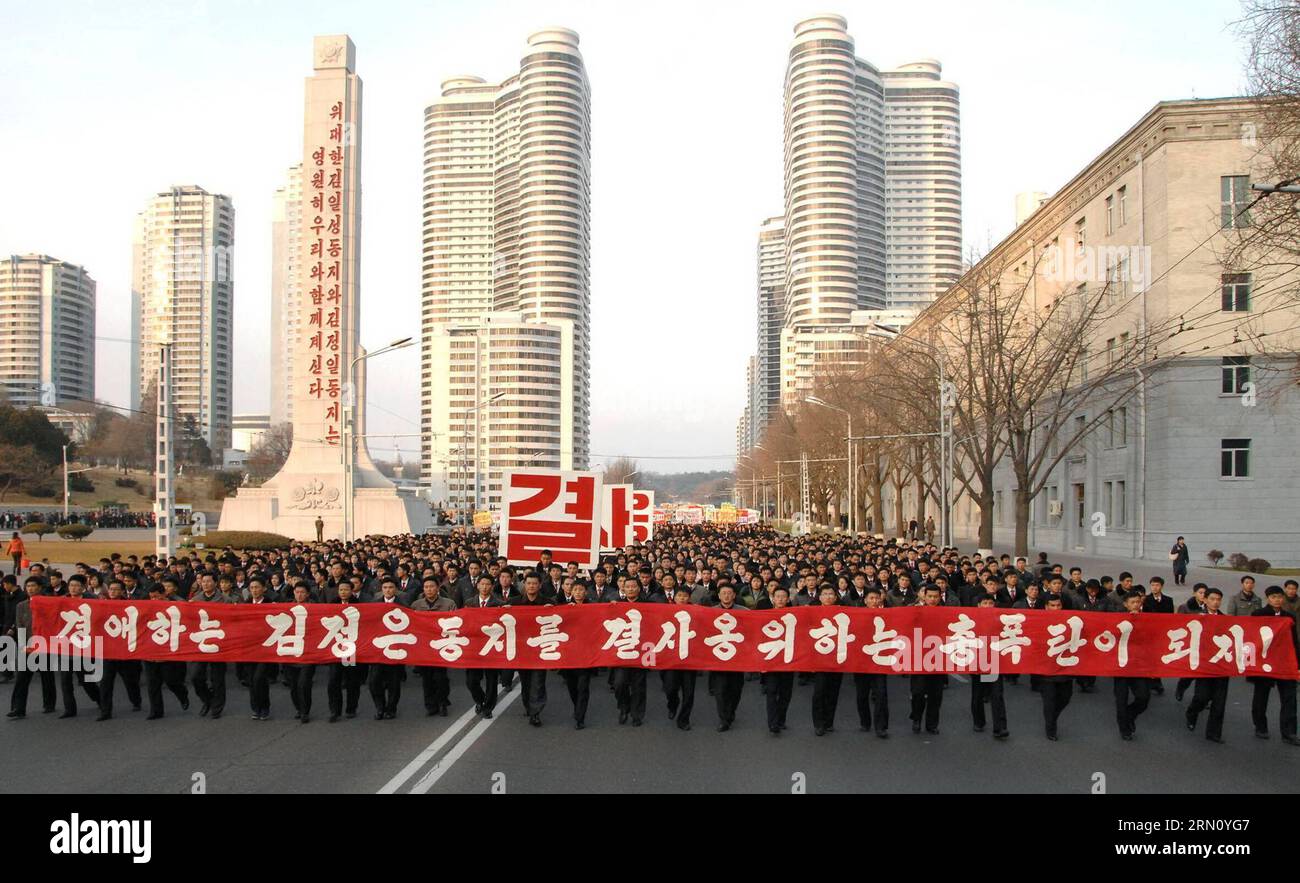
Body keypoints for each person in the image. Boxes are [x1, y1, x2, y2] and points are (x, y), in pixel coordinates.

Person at [1249, 586, 1299, 745]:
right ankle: (1260, 726)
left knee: (1289, 698)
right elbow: (1252, 638)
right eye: (1273, 597)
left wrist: (1297, 662)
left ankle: (1289, 732)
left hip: (1284, 662)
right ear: (1267, 598)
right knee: (1261, 696)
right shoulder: (1258, 615)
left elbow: (1294, 641)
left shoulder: (1289, 617)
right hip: (1265, 662)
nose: (1277, 600)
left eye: (1279, 597)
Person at [6, 577, 55, 718]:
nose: (30, 588)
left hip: (45, 645)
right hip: (28, 646)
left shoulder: (49, 604)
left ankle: (49, 703)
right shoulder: (21, 606)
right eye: (28, 586)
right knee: (22, 679)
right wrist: (22, 645)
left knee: (47, 677)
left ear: (40, 587)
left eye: (33, 586)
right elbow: (19, 626)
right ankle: (18, 708)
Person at [1185, 587, 1229, 743]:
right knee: (1202, 697)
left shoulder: (1226, 619)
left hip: (1221, 664)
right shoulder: (1196, 617)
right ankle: (1192, 712)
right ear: (1205, 600)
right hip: (1203, 663)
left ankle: (1214, 733)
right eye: (1212, 599)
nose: (1215, 602)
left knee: (1219, 701)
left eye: (1218, 599)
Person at [96, 579, 144, 721]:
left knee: (130, 681)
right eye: (111, 589)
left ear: (123, 591)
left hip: (125, 651)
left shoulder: (131, 605)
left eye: (116, 589)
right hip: (108, 651)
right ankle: (105, 711)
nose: (113, 591)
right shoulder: (102, 605)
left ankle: (136, 701)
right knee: (105, 682)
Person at [409, 576, 456, 716]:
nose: (429, 589)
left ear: (437, 588)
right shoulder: (416, 605)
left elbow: (455, 622)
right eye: (426, 587)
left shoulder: (449, 604)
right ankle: (430, 705)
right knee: (427, 677)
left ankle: (442, 702)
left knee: (441, 677)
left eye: (432, 586)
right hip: (424, 647)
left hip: (442, 645)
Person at [510, 572, 551, 726]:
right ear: (524, 585)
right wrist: (504, 609)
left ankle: (536, 712)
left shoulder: (547, 603)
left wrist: (554, 609)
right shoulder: (515, 602)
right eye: (529, 583)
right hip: (522, 650)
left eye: (535, 583)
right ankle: (528, 705)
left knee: (538, 681)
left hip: (541, 650)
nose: (531, 586)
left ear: (540, 585)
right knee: (526, 681)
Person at [851, 586, 889, 738]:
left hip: (879, 660)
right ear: (865, 600)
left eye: (876, 598)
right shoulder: (857, 615)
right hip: (861, 661)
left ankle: (881, 726)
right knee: (862, 694)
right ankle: (865, 721)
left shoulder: (887, 615)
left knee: (881, 693)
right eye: (871, 598)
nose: (874, 601)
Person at [189, 573, 230, 719]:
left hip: (218, 643)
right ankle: (207, 700)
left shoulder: (225, 600)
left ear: (215, 583)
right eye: (203, 581)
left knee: (217, 678)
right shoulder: (194, 600)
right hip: (200, 643)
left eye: (208, 581)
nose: (205, 584)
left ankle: (217, 707)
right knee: (195, 676)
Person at [1113, 590, 1150, 740]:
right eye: (1132, 602)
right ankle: (1124, 729)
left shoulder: (1149, 618)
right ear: (1126, 604)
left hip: (1139, 665)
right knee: (1121, 699)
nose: (1136, 605)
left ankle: (1130, 715)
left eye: (1138, 602)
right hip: (1121, 665)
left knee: (1143, 697)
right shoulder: (1117, 619)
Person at [970, 595, 1009, 740]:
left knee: (996, 694)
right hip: (978, 661)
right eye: (984, 603)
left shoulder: (1000, 620)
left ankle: (1000, 727)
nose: (988, 605)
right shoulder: (972, 620)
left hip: (994, 661)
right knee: (978, 694)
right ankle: (978, 721)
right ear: (979, 605)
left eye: (990, 603)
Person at [909, 584, 947, 735]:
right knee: (918, 692)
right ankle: (916, 718)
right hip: (918, 657)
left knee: (936, 694)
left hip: (938, 658)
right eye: (930, 596)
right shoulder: (915, 611)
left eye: (935, 597)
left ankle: (932, 724)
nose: (932, 599)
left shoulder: (946, 613)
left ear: (940, 597)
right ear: (924, 596)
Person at [325, 582, 365, 722]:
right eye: (341, 589)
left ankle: (351, 708)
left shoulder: (360, 605)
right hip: (336, 647)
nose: (343, 592)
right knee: (333, 680)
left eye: (346, 589)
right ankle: (334, 710)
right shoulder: (332, 605)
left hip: (353, 648)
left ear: (351, 591)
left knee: (352, 680)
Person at [558, 581, 596, 729]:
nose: (578, 592)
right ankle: (577, 707)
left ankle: (580, 717)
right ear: (571, 592)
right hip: (569, 654)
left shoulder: (593, 608)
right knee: (572, 685)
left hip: (586, 654)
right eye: (576, 590)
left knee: (583, 686)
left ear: (586, 592)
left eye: (581, 590)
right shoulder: (565, 608)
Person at [662, 585, 700, 731]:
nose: (682, 598)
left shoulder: (697, 611)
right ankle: (673, 703)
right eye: (679, 596)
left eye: (685, 596)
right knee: (670, 688)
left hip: (690, 658)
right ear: (674, 598)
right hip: (671, 657)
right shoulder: (666, 610)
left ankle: (684, 719)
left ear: (689, 598)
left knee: (689, 692)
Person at [709, 585, 746, 732]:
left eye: (729, 593)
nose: (726, 596)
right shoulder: (711, 612)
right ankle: (723, 719)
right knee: (720, 690)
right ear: (719, 596)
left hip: (738, 659)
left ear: (734, 595)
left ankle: (731, 712)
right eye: (723, 593)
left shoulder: (744, 612)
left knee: (736, 689)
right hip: (718, 658)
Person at [465, 578, 503, 719]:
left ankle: (488, 707)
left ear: (492, 586)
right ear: (477, 585)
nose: (485, 587)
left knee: (491, 680)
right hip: (474, 647)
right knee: (471, 680)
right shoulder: (469, 603)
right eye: (482, 584)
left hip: (492, 646)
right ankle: (480, 700)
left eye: (488, 584)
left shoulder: (499, 604)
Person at [368, 578, 406, 720]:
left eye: (391, 587)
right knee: (374, 681)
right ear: (381, 589)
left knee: (393, 682)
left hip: (396, 648)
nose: (388, 590)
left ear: (395, 589)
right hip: (378, 648)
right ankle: (379, 707)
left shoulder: (403, 605)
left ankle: (391, 708)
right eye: (385, 587)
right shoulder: (374, 605)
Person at [810, 584, 843, 736]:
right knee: (819, 692)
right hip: (819, 659)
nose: (828, 596)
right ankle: (818, 723)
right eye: (825, 594)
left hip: (837, 658)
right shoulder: (812, 612)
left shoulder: (843, 613)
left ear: (835, 597)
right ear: (820, 597)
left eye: (831, 594)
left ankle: (829, 721)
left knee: (833, 692)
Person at [281, 583, 317, 723]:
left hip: (308, 652)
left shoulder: (315, 608)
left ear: (308, 594)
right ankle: (298, 707)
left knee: (304, 683)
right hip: (290, 651)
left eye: (302, 592)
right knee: (293, 685)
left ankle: (305, 711)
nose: (299, 595)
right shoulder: (287, 607)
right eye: (297, 592)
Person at [761, 586, 795, 735]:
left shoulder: (794, 616)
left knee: (785, 693)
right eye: (778, 596)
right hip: (770, 660)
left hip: (789, 660)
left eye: (783, 596)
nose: (780, 599)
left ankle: (781, 719)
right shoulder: (764, 615)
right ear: (773, 599)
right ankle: (773, 723)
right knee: (771, 691)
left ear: (788, 599)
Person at [1039, 594, 1073, 740]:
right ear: (1046, 607)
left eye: (1058, 605)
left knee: (1066, 697)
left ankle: (1052, 718)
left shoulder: (1069, 620)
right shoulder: (1038, 621)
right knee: (1049, 700)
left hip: (1065, 667)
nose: (1056, 608)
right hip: (1046, 669)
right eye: (1052, 606)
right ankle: (1050, 728)